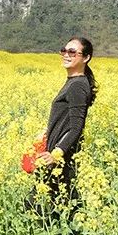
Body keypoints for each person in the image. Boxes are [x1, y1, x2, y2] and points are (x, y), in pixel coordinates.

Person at [37, 36, 97, 208]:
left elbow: (76, 127)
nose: (66, 54)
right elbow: (66, 119)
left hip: (61, 159)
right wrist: (48, 131)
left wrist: (56, 154)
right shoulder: (73, 82)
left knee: (51, 207)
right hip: (57, 156)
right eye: (64, 50)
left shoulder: (77, 86)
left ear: (85, 58)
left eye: (72, 52)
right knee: (56, 206)